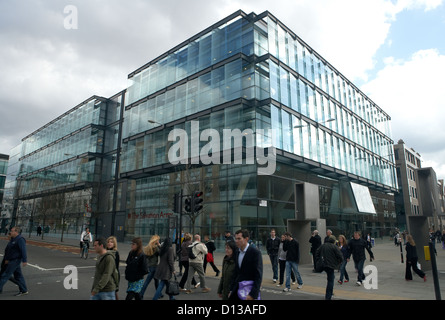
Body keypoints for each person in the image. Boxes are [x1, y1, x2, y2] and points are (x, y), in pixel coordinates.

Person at [229, 229, 262, 300]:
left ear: (246, 239)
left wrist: (253, 294)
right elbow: (235, 273)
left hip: (249, 291)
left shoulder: (255, 253)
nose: (236, 241)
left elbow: (258, 275)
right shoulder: (237, 252)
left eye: (239, 239)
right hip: (237, 289)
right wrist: (231, 289)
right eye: (236, 239)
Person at [0, 227, 28, 296]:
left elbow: (23, 250)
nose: (10, 232)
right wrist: (6, 259)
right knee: (18, 276)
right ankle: (24, 290)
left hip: (15, 260)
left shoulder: (20, 239)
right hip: (11, 260)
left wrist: (25, 260)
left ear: (16, 232)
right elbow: (9, 250)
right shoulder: (13, 239)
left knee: (5, 275)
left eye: (12, 231)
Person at [316, 235, 343, 300]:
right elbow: (340, 256)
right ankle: (328, 295)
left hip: (323, 264)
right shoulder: (334, 247)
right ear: (334, 241)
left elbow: (317, 252)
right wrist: (339, 262)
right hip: (331, 265)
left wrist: (318, 260)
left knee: (331, 278)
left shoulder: (323, 245)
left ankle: (330, 292)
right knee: (331, 280)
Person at [140, 234, 160, 299]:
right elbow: (161, 253)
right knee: (148, 281)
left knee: (156, 281)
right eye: (158, 240)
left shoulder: (149, 247)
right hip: (154, 266)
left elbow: (146, 257)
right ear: (156, 240)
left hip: (150, 265)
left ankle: (159, 293)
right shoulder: (156, 248)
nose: (158, 241)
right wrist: (159, 245)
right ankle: (141, 294)